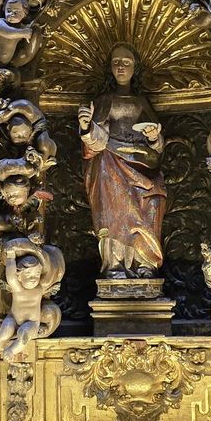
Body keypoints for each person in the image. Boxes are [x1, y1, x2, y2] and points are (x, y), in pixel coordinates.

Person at [78, 43, 167, 277]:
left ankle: (145, 262)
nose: (120, 67)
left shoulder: (141, 102)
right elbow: (96, 141)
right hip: (111, 162)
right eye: (116, 62)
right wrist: (87, 127)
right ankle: (115, 265)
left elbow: (157, 143)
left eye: (126, 62)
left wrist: (153, 137)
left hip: (142, 161)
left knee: (152, 202)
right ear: (109, 67)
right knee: (116, 212)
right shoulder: (104, 100)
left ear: (135, 67)